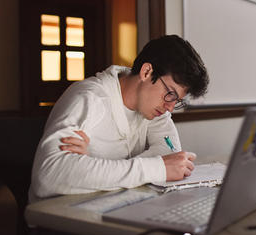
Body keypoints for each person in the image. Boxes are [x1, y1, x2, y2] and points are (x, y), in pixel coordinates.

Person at [29, 34, 209, 203]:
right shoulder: (88, 98)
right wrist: (155, 169)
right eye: (170, 94)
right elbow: (48, 177)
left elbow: (169, 155)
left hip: (114, 206)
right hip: (61, 220)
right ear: (146, 72)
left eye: (176, 100)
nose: (170, 107)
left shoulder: (154, 109)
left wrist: (91, 166)